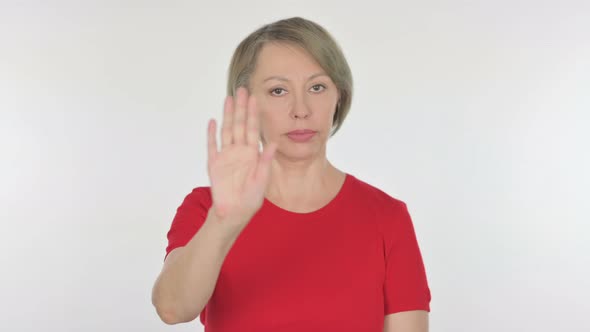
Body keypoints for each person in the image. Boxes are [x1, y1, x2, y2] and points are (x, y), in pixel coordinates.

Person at [151, 16, 431, 332]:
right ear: (247, 103)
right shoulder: (207, 208)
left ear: (338, 96)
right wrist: (224, 222)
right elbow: (172, 308)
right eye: (278, 90)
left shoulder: (387, 217)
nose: (301, 109)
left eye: (317, 87)